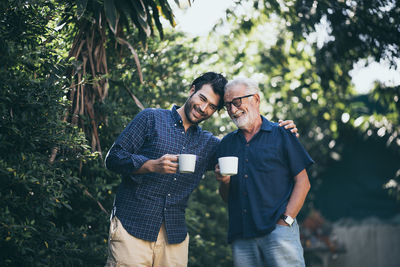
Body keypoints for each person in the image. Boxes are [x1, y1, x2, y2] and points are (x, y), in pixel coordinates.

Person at [104, 72, 298, 267]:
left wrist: (279, 131)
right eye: (202, 98)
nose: (203, 108)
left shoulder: (210, 145)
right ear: (192, 91)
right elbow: (113, 158)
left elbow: (249, 149)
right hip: (132, 226)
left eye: (212, 106)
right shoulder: (151, 118)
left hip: (174, 236)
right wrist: (151, 165)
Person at [216, 77, 314, 267]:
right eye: (227, 106)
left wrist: (285, 221)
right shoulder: (227, 144)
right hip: (242, 237)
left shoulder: (282, 133)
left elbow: (303, 182)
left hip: (278, 233)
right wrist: (224, 182)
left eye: (237, 102)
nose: (232, 110)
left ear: (256, 99)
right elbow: (227, 197)